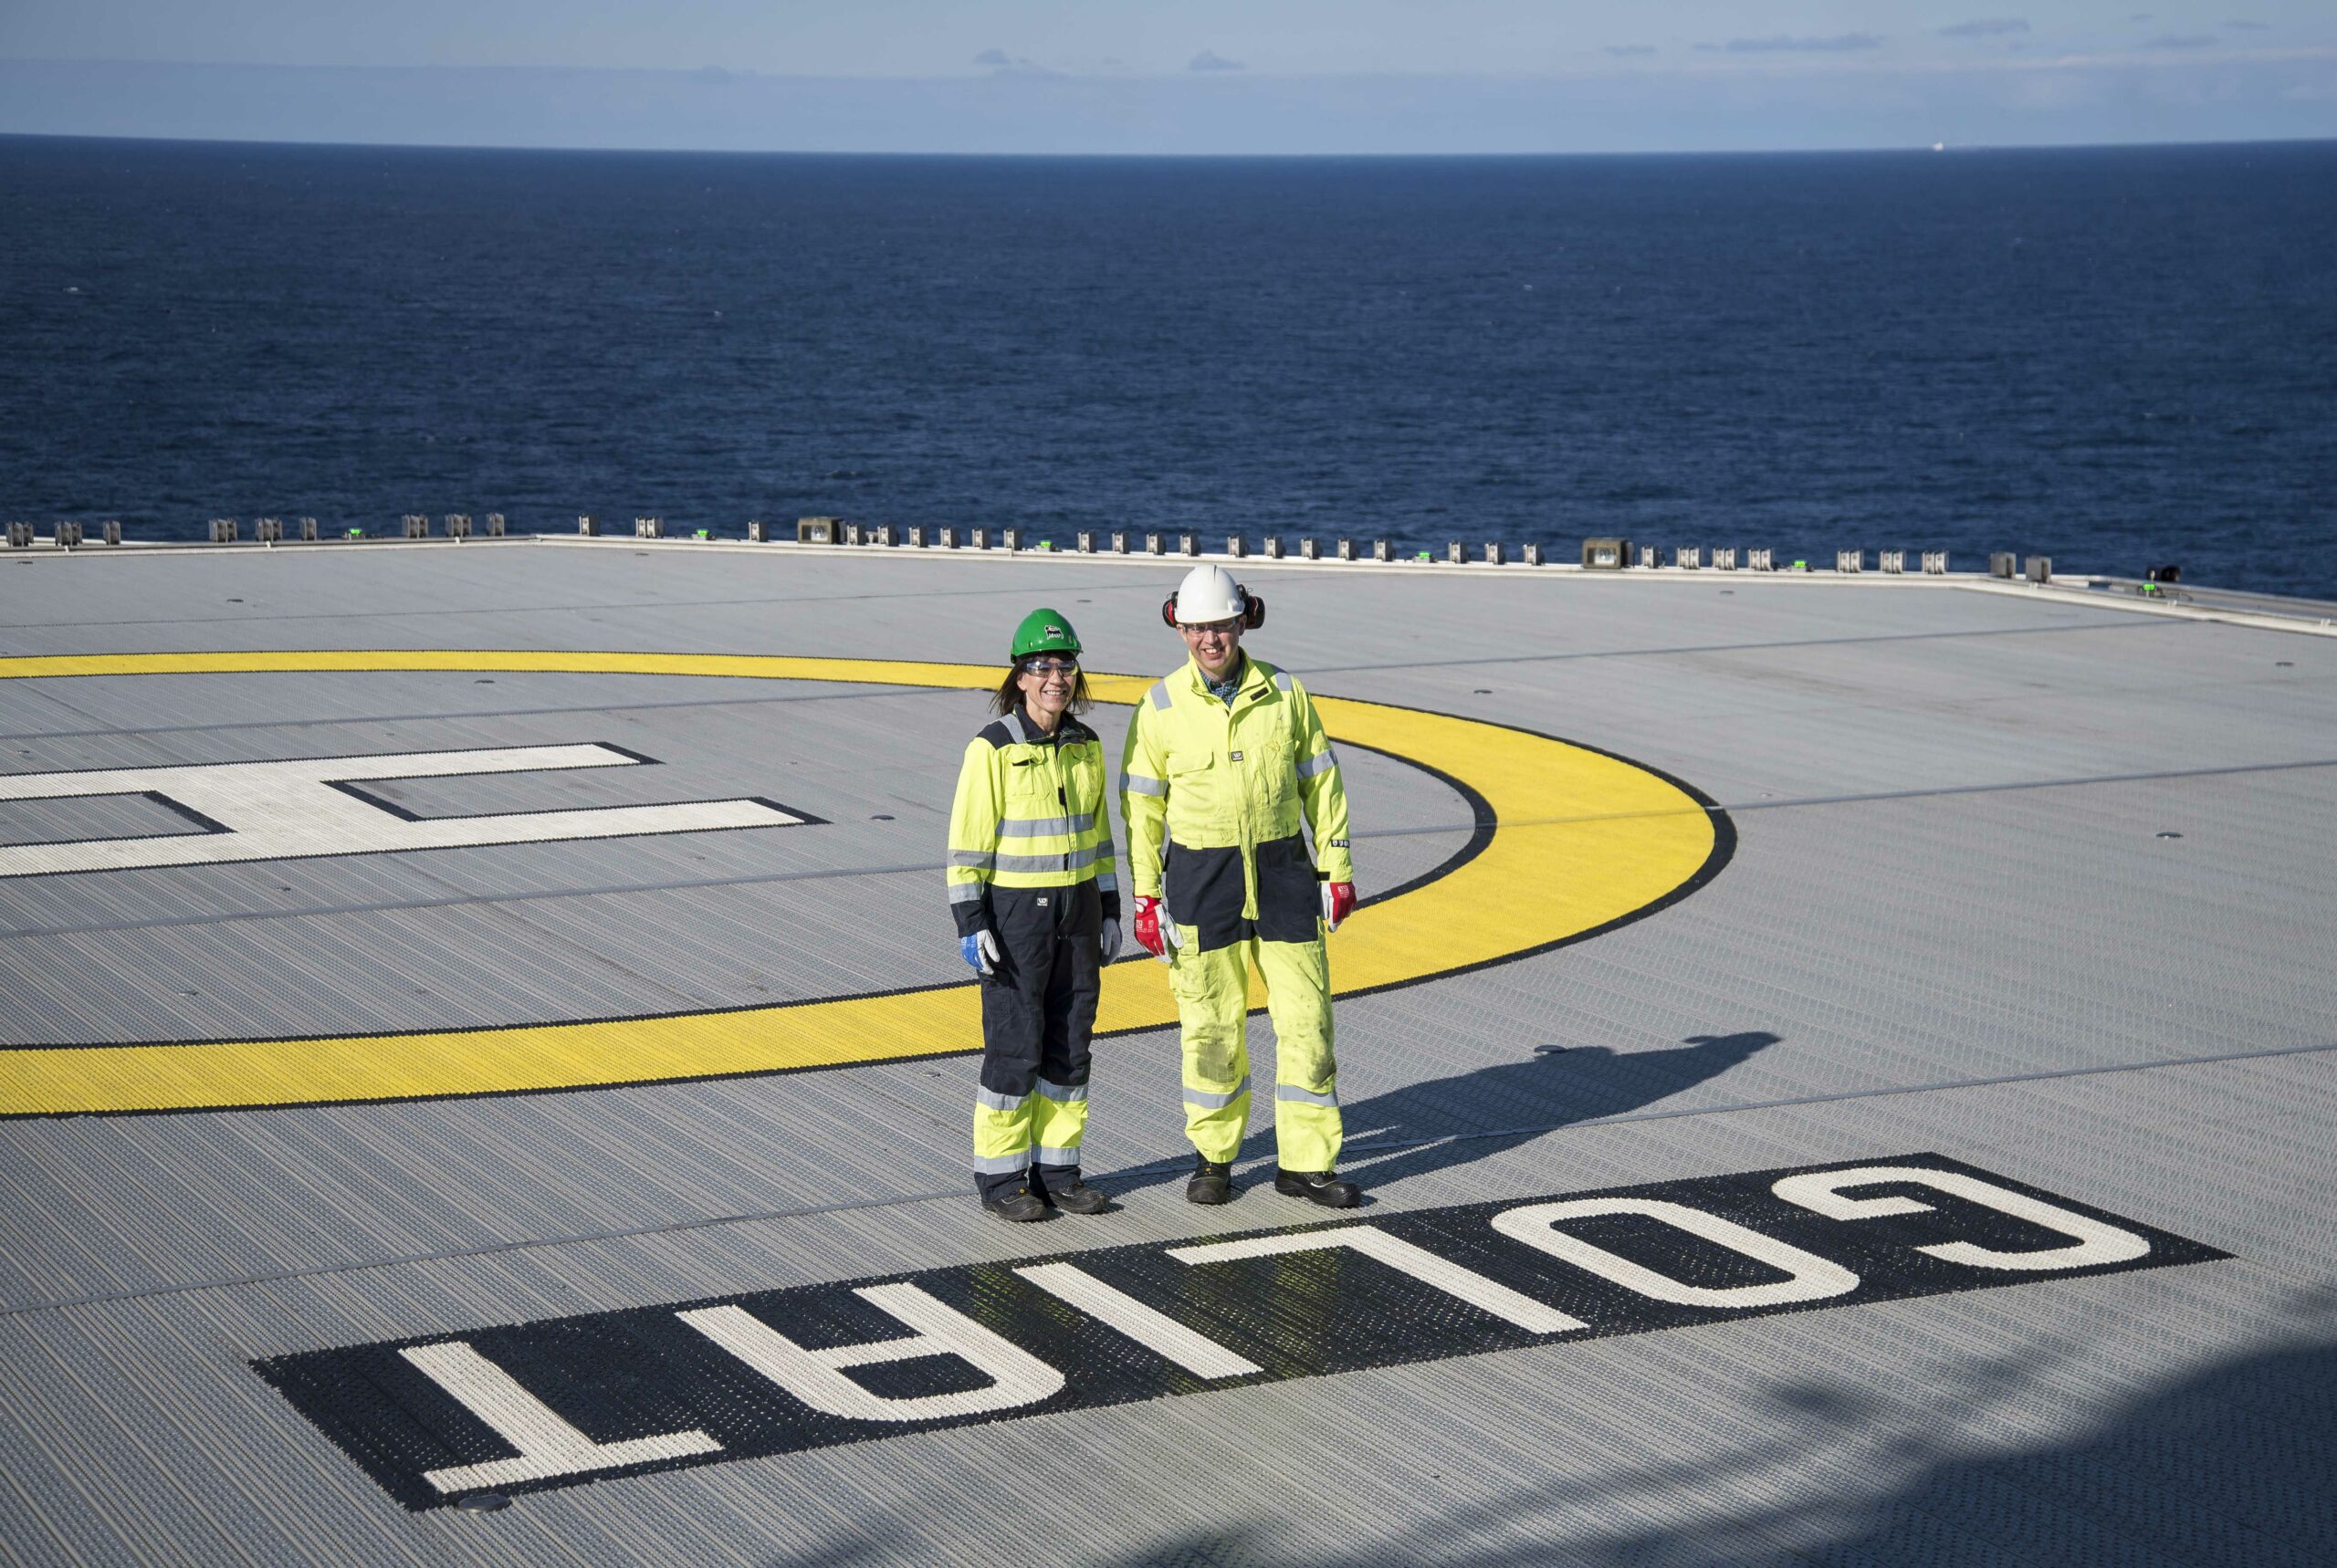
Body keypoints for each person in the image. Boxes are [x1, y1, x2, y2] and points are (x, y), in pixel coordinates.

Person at [1120, 563, 1360, 1208]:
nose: (1209, 641)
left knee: (1308, 1022)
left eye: (1220, 626)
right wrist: (1146, 896)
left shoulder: (1285, 693)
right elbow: (1141, 807)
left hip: (1283, 873)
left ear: (1242, 621)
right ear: (1179, 626)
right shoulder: (1162, 706)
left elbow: (1323, 783)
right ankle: (1215, 1160)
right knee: (1210, 1027)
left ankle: (1306, 1165)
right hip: (1203, 880)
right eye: (1197, 628)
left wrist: (1336, 867)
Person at [946, 609, 1123, 1221]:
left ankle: (1058, 1172)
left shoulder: (1086, 746)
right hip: (1017, 920)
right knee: (1015, 1050)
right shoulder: (992, 748)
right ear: (1019, 677)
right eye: (1042, 667)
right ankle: (1000, 1181)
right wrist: (971, 922)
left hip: (1076, 917)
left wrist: (1109, 908)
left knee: (1070, 1050)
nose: (1056, 677)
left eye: (1065, 665)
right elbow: (967, 844)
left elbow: (1100, 837)